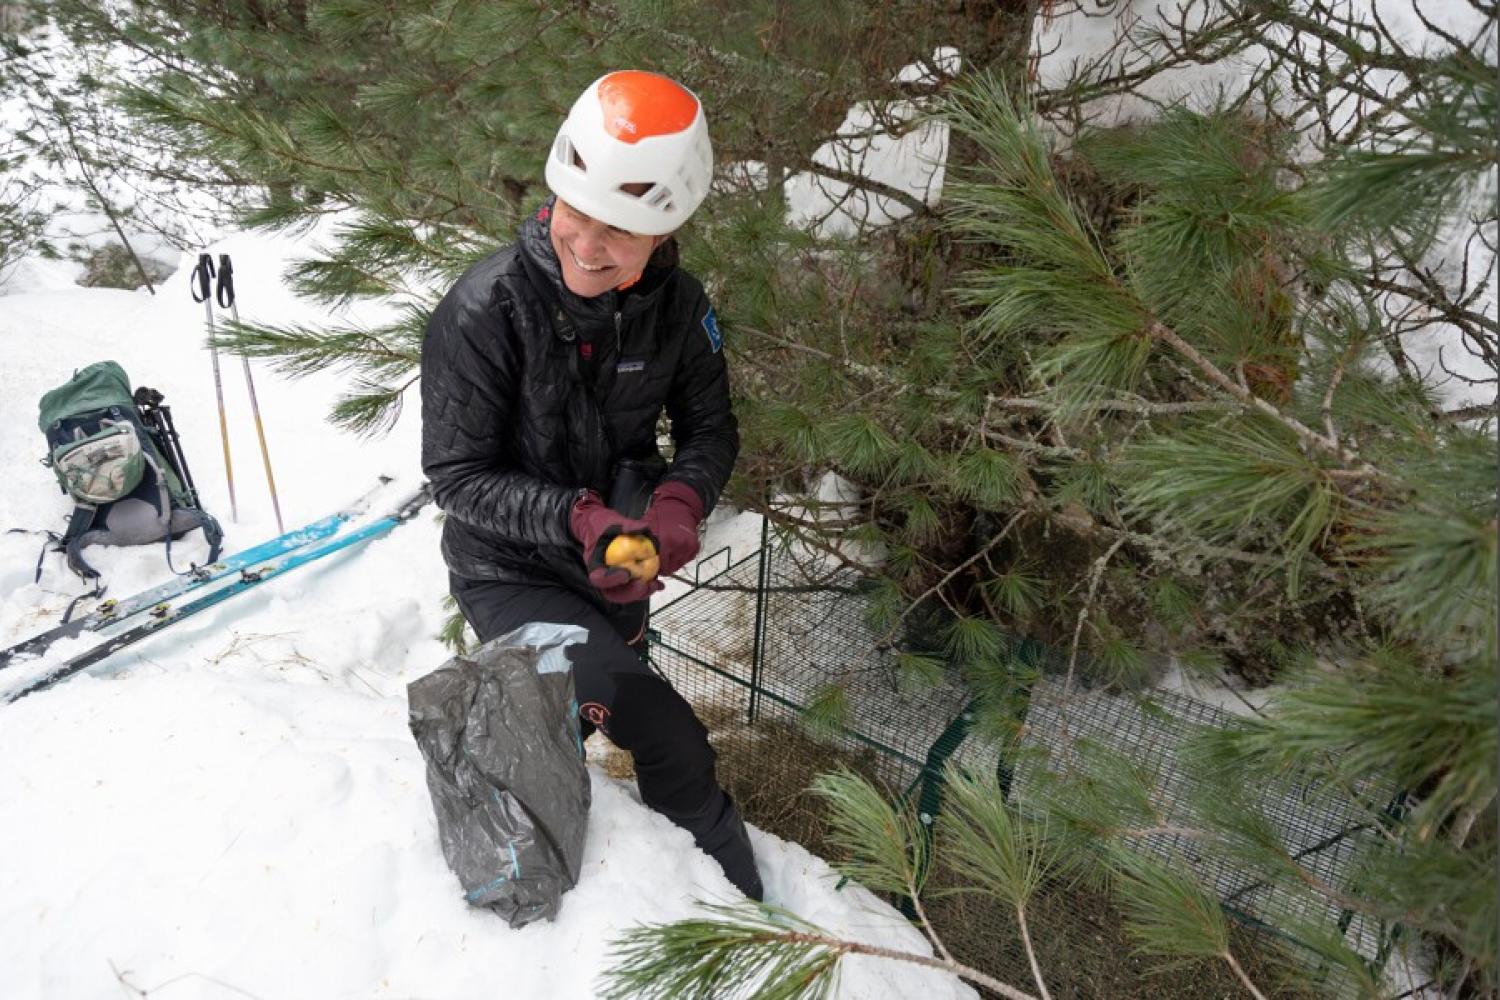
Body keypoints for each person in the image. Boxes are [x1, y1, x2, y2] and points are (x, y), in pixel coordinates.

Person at [420, 71, 760, 900]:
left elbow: (710, 429)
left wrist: (678, 507)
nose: (589, 245)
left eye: (622, 233)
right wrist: (577, 515)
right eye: (578, 214)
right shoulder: (486, 309)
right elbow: (457, 477)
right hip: (510, 568)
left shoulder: (680, 309)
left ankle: (647, 866)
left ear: (665, 231)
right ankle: (731, 902)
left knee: (586, 705)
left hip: (618, 562)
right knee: (667, 733)